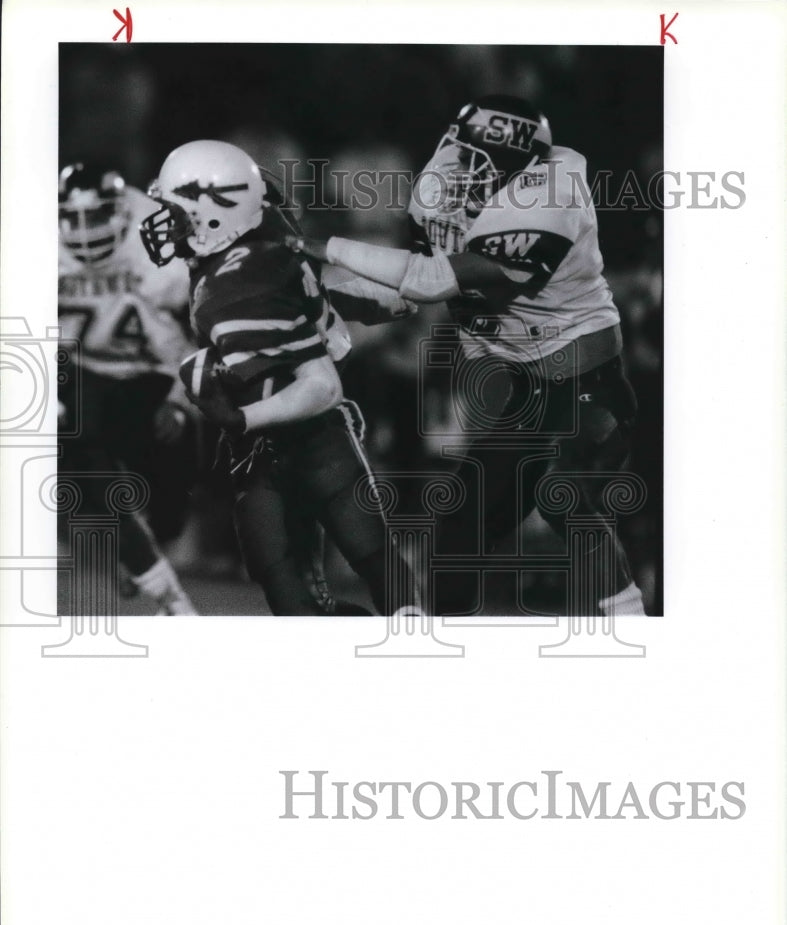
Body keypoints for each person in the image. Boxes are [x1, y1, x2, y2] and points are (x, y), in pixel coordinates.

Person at [288, 95, 646, 616]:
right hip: (529, 394)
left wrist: (322, 247)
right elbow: (405, 294)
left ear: (510, 164)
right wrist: (321, 298)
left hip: (588, 380)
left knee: (562, 492)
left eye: (472, 156)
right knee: (458, 527)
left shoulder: (549, 198)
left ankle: (630, 621)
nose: (455, 165)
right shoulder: (453, 186)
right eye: (457, 149)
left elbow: (433, 280)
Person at [140, 139, 420, 616]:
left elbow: (321, 386)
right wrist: (374, 301)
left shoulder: (234, 288)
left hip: (307, 437)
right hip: (283, 445)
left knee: (338, 565)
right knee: (303, 568)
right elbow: (303, 301)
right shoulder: (255, 246)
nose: (165, 222)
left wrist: (242, 416)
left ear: (214, 217)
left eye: (176, 210)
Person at [58, 162, 198, 615]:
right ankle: (149, 571)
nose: (83, 229)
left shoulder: (157, 243)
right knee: (78, 452)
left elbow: (206, 331)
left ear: (121, 212)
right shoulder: (30, 243)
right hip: (77, 365)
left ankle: (146, 546)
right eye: (73, 218)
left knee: (174, 478)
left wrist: (179, 400)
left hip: (152, 371)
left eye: (96, 216)